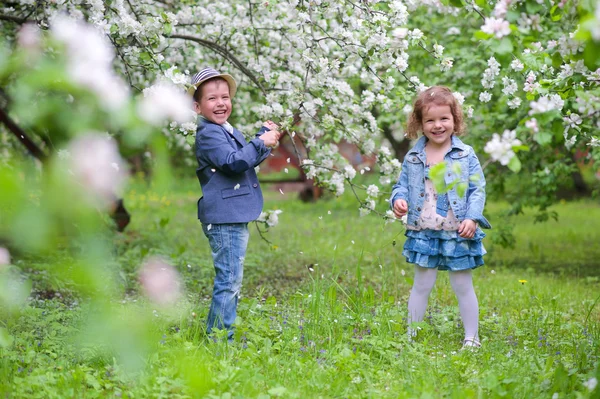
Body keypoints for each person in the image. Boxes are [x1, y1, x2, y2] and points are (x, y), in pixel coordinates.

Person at [389, 86, 491, 349]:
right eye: (430, 120)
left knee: (462, 285)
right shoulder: (414, 156)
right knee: (421, 284)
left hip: (458, 230)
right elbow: (401, 186)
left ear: (455, 120)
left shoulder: (465, 155)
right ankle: (411, 335)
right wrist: (398, 200)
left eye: (444, 118)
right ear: (419, 125)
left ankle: (472, 337)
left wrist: (472, 217)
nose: (437, 125)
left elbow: (476, 189)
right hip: (424, 229)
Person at [190, 67, 282, 341]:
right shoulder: (208, 134)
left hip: (231, 215)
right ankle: (219, 340)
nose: (220, 103)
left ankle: (219, 335)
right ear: (197, 106)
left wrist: (263, 137)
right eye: (212, 99)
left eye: (225, 97)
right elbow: (233, 163)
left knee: (231, 280)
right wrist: (259, 142)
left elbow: (244, 157)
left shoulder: (225, 130)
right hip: (224, 217)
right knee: (228, 281)